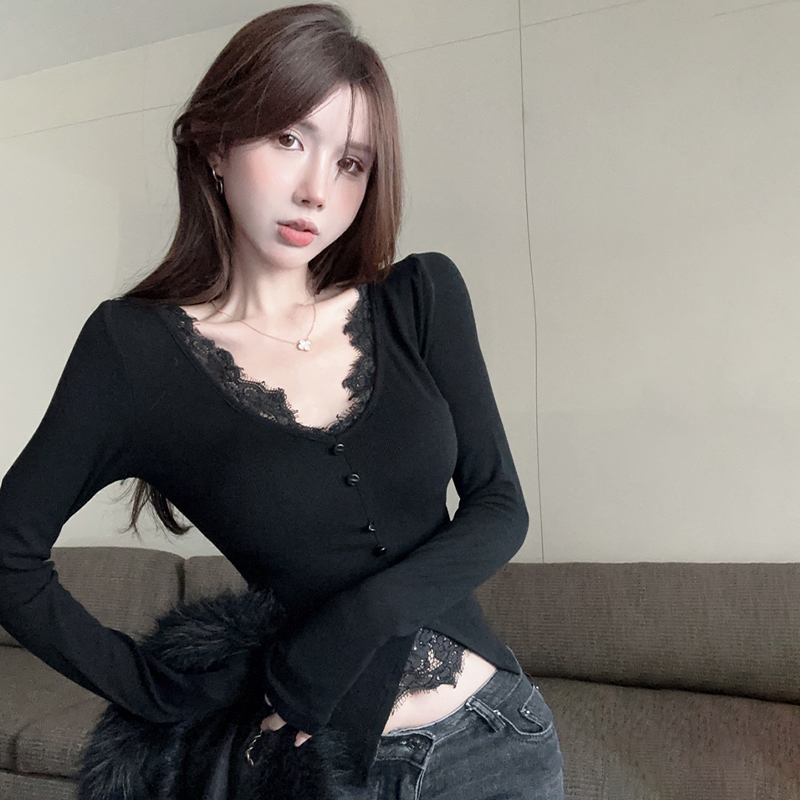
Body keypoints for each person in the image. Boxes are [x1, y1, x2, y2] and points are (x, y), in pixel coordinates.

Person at [0, 4, 564, 798]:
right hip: (325, 773)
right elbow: (9, 555)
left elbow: (500, 505)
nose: (315, 191)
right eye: (289, 140)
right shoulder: (132, 352)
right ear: (215, 145)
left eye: (351, 163)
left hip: (499, 743)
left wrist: (352, 627)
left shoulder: (420, 297)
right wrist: (158, 693)